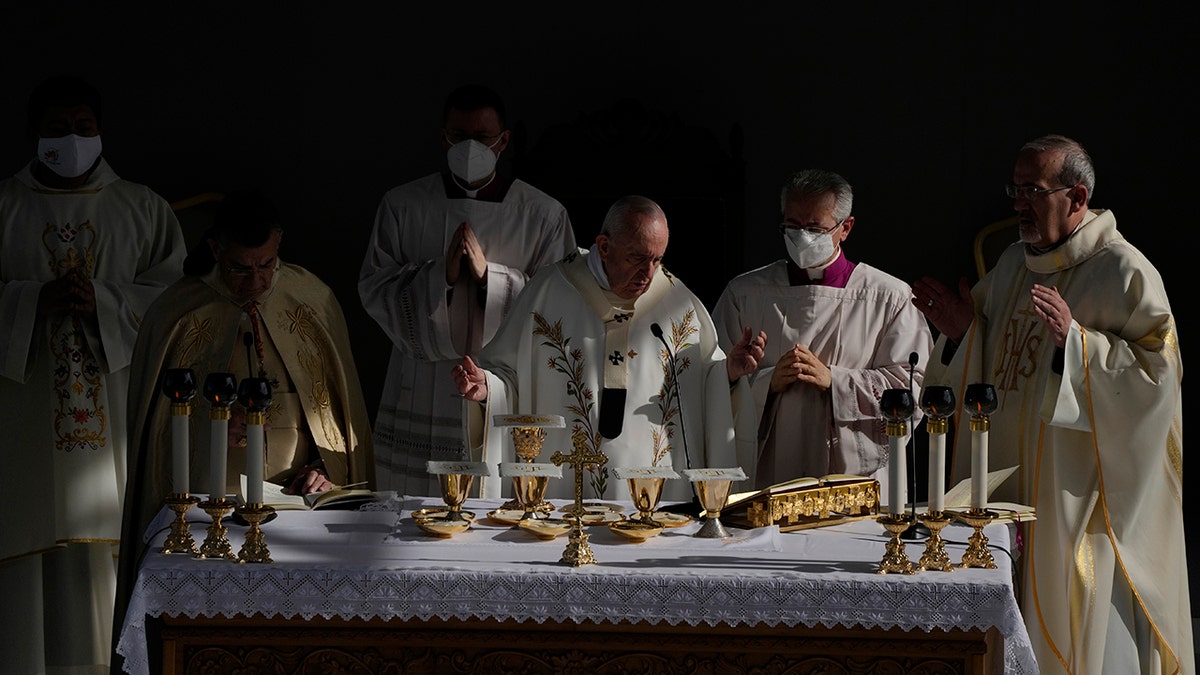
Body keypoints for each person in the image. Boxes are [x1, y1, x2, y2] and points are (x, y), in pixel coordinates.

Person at [912, 134, 1192, 673]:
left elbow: (1161, 377)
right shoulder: (1016, 265)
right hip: (1009, 489)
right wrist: (962, 332)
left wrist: (1079, 346)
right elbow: (990, 352)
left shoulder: (1124, 271)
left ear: (1077, 197)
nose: (1017, 203)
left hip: (1078, 501)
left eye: (1032, 190)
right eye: (1014, 189)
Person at [113, 190, 375, 664]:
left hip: (299, 512)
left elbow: (337, 412)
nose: (255, 281)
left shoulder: (309, 298)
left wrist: (323, 466)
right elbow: (155, 433)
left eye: (266, 265)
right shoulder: (178, 312)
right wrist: (206, 427)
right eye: (240, 268)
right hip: (211, 515)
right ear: (215, 250)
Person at [0, 74, 187, 674]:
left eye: (84, 128)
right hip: (22, 423)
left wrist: (104, 302)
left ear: (101, 131)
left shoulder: (141, 206)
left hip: (114, 423)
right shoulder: (4, 204)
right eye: (57, 129)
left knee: (110, 547)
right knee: (26, 547)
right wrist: (30, 302)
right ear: (35, 133)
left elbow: (175, 300)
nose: (72, 139)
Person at [452, 195, 762, 502]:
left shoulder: (679, 305)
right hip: (562, 493)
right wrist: (488, 390)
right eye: (637, 258)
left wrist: (729, 375)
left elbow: (707, 382)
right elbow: (509, 375)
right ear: (603, 246)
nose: (648, 274)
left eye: (657, 260)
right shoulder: (548, 293)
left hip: (651, 499)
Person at [360, 83, 577, 497]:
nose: (470, 147)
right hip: (422, 383)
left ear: (503, 141)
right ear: (444, 137)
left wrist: (489, 280)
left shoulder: (543, 215)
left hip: (498, 383)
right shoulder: (403, 205)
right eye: (459, 136)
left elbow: (560, 306)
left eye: (482, 137)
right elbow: (375, 287)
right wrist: (437, 277)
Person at [713, 170, 932, 494]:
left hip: (850, 478)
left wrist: (837, 382)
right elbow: (708, 381)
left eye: (814, 228)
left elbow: (915, 386)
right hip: (765, 476)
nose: (802, 237)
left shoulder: (888, 297)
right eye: (792, 226)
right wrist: (763, 383)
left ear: (845, 227)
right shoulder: (746, 293)